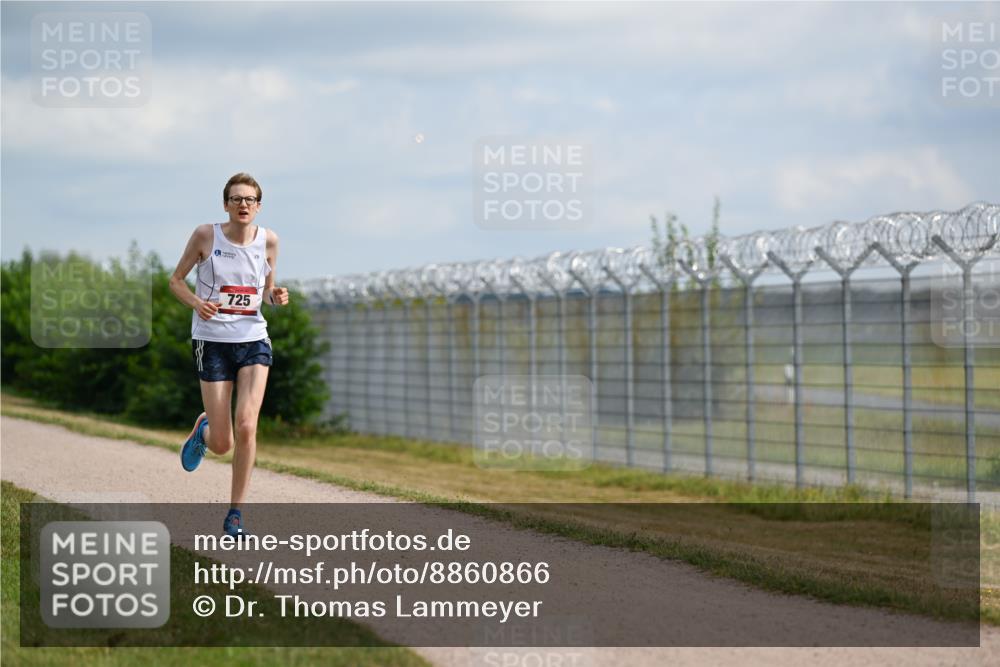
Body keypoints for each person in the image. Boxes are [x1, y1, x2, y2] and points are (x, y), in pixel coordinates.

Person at [168, 172, 289, 537]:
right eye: (236, 199)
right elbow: (175, 281)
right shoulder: (206, 236)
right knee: (223, 444)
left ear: (258, 206)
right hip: (212, 341)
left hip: (253, 339)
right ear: (226, 204)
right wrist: (197, 303)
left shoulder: (269, 240)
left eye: (249, 199)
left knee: (248, 424)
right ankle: (205, 430)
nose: (243, 205)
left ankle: (236, 513)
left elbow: (265, 292)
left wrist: (275, 296)